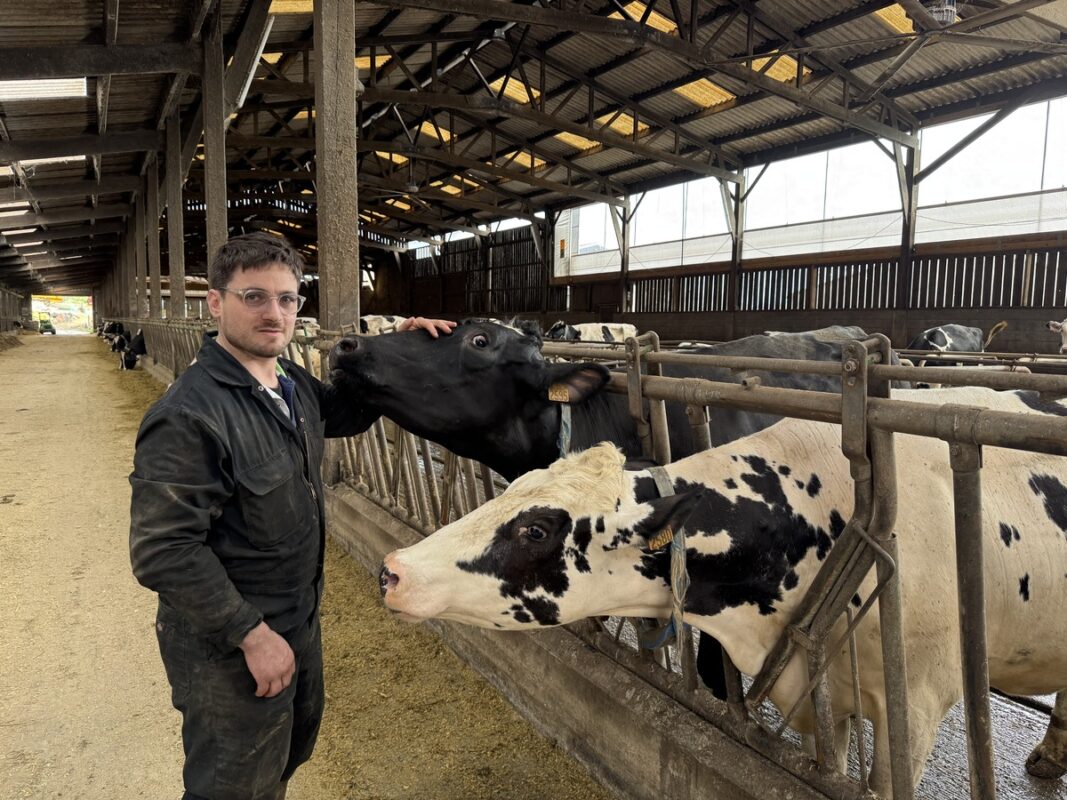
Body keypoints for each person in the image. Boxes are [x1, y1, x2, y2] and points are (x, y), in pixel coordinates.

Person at [129, 232, 455, 800]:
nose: (274, 313)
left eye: (287, 299)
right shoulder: (187, 414)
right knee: (231, 784)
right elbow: (164, 550)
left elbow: (349, 414)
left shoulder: (287, 381)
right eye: (254, 297)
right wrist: (250, 635)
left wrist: (396, 350)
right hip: (227, 643)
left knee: (284, 759)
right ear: (215, 302)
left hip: (296, 620)